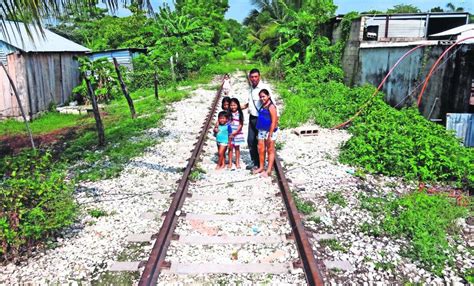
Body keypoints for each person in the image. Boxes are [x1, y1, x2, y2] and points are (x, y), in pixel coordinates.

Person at [241, 69, 272, 170]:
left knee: (261, 143)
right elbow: (247, 103)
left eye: (256, 77)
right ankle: (255, 162)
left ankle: (260, 164)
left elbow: (273, 103)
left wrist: (275, 121)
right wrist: (235, 107)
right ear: (249, 78)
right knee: (250, 141)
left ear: (259, 76)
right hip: (252, 117)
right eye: (252, 77)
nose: (254, 79)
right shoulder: (250, 88)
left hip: (262, 119)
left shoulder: (264, 88)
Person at [252, 89, 278, 177]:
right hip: (261, 130)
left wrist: (270, 135)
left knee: (270, 149)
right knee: (261, 149)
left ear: (268, 96)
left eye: (263, 96)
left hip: (270, 131)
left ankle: (269, 170)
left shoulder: (271, 106)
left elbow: (274, 121)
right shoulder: (263, 105)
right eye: (260, 97)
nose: (262, 98)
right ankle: (261, 167)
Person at [228, 98, 245, 169]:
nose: (233, 107)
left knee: (237, 148)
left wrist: (236, 132)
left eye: (234, 105)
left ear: (238, 105)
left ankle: (237, 162)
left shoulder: (239, 113)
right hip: (230, 133)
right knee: (230, 148)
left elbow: (241, 124)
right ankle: (230, 162)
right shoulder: (228, 113)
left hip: (237, 133)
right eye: (231, 105)